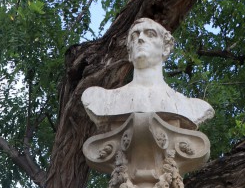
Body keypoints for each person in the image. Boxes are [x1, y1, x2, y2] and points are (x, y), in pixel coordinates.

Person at [81, 17, 214, 128]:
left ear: (166, 48)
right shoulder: (103, 100)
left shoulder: (189, 107)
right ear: (129, 53)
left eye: (150, 34)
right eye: (134, 36)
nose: (140, 39)